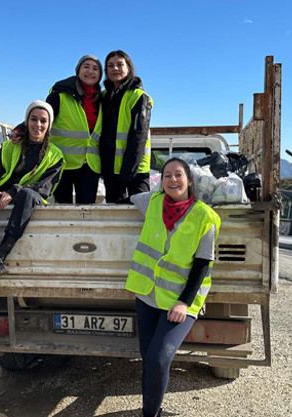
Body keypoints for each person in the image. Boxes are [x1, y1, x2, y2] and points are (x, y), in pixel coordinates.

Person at [126, 157, 221, 417]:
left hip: (180, 302)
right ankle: (151, 410)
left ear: (189, 180)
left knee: (159, 358)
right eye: (167, 175)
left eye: (178, 174)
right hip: (148, 294)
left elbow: (202, 266)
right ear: (161, 182)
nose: (172, 180)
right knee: (149, 359)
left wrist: (184, 303)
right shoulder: (152, 202)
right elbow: (129, 196)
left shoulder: (205, 216)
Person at [0, 100, 64, 278]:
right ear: (27, 121)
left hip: (30, 198)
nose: (38, 124)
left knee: (27, 194)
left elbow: (44, 188)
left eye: (43, 121)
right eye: (33, 119)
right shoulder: (11, 146)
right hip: (3, 194)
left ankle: (1, 254)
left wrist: (14, 191)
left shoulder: (55, 155)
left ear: (49, 125)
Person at [87, 50, 153, 203]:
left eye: (119, 65)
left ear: (129, 68)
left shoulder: (138, 96)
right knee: (115, 212)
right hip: (111, 170)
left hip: (135, 170)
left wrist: (128, 172)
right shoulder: (105, 96)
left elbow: (139, 136)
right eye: (110, 66)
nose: (115, 69)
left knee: (141, 211)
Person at [43, 54, 103, 204]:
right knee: (63, 208)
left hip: (90, 164)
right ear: (78, 71)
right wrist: (21, 130)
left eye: (95, 68)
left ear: (100, 75)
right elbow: (42, 116)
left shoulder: (103, 99)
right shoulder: (61, 93)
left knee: (86, 209)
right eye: (86, 67)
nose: (90, 71)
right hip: (62, 162)